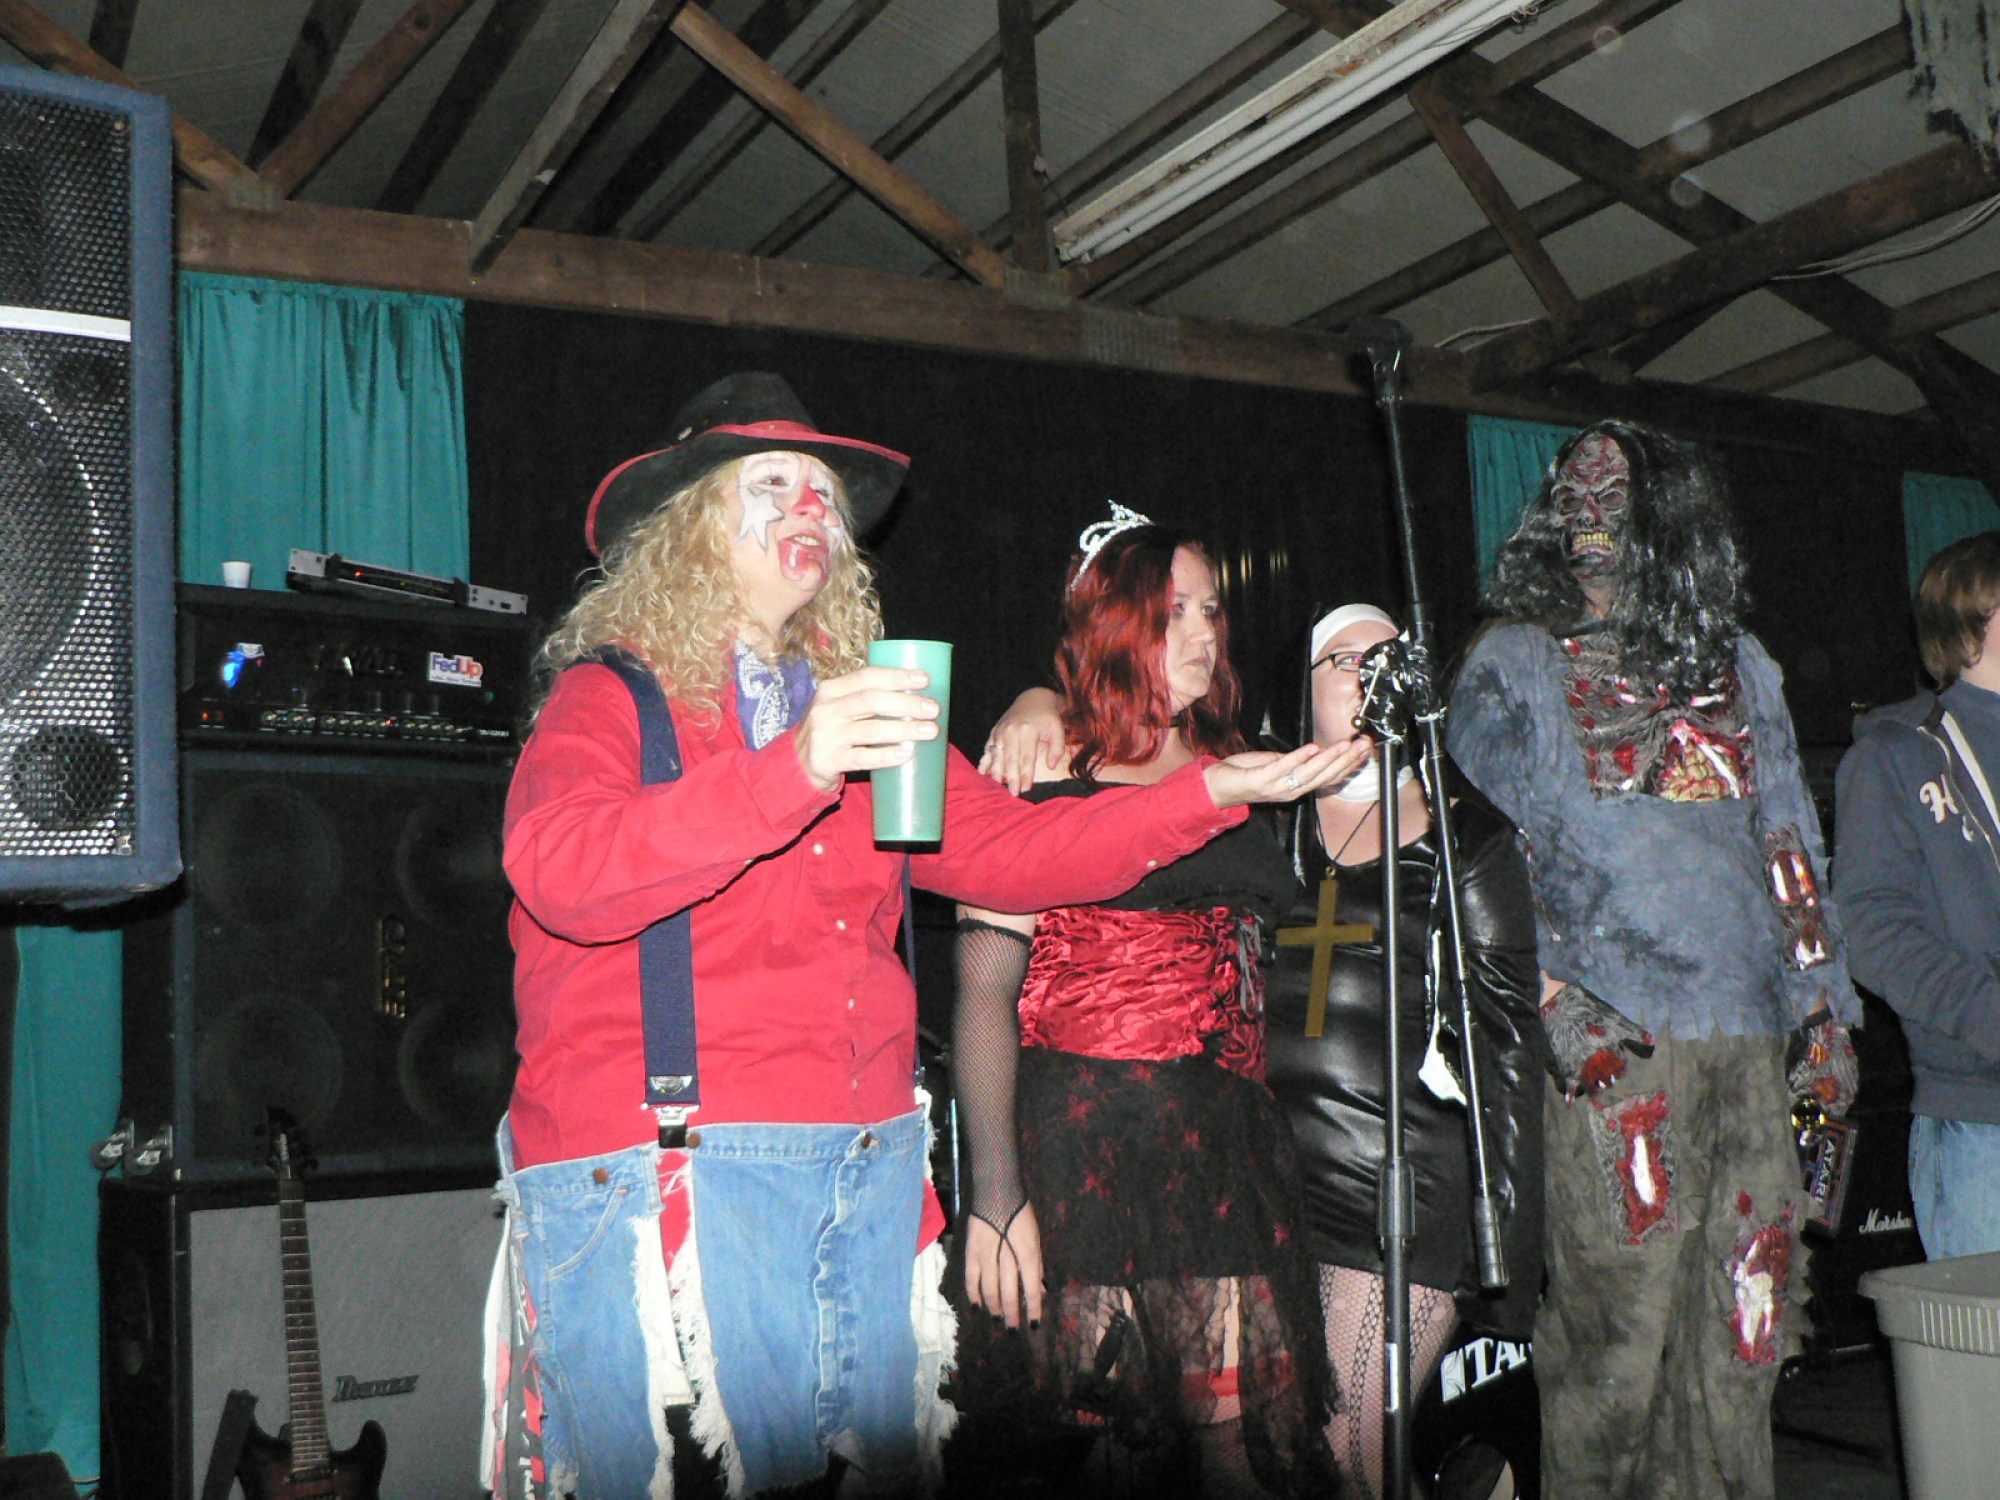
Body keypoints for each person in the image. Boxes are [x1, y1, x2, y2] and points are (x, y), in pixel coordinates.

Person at [488, 374, 1363, 1500]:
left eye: (822, 491)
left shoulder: (858, 706)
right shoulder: (613, 698)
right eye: (773, 484)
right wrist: (797, 765)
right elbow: (561, 874)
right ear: (689, 525)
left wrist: (1207, 794)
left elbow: (1018, 854)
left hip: (863, 1169)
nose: (812, 507)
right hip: (669, 1179)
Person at [1445, 420, 1862, 1500]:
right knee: (1614, 1341)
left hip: (1753, 1048)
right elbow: (1468, 859)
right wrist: (1549, 1001)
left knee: (1747, 1321)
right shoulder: (1514, 660)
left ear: (1670, 515)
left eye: (1613, 495)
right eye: (1571, 495)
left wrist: (1821, 1011)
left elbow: (1787, 842)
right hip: (1614, 1049)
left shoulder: (1740, 663)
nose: (1588, 516)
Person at [952, 512, 1361, 1499]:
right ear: (1113, 621)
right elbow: (982, 988)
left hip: (1226, 1150)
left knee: (1234, 1455)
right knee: (1108, 1460)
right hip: (1085, 1153)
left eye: (1211, 611)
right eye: (1172, 611)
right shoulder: (1043, 762)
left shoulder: (1242, 760)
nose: (1202, 632)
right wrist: (996, 1197)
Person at [1260, 603, 1544, 1500]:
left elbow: (1506, 1046)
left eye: (1387, 658)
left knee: (1347, 1448)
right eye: (1343, 659)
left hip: (1399, 1190)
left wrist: (1509, 1258)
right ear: (1300, 691)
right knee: (1277, 1453)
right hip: (1269, 1180)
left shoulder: (1465, 838)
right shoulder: (1263, 822)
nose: (1368, 675)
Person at [1835, 530, 2000, 1260]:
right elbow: (1873, 934)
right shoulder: (1895, 753)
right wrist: (1990, 1015)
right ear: (1971, 618)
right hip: (1982, 1121)